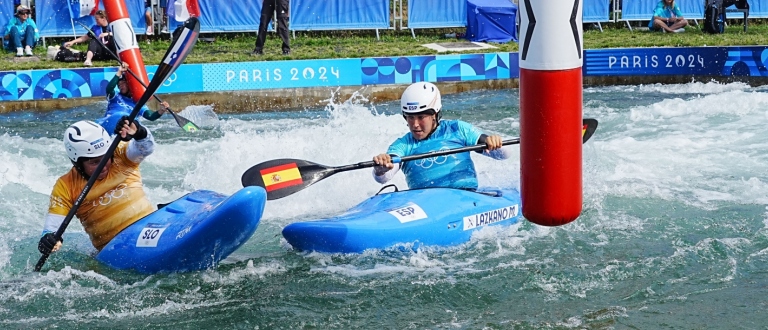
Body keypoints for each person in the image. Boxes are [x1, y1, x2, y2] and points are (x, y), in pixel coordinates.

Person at [37, 119, 156, 255]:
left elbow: (146, 147)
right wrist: (49, 241)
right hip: (114, 250)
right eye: (94, 162)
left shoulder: (120, 155)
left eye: (106, 158)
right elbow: (52, 229)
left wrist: (139, 131)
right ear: (78, 163)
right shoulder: (65, 186)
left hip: (149, 229)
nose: (104, 166)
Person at [371, 82, 511, 190]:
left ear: (435, 115)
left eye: (421, 117)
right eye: (410, 117)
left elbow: (504, 155)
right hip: (426, 205)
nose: (415, 124)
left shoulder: (458, 129)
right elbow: (383, 178)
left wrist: (494, 143)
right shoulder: (403, 145)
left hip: (465, 197)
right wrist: (381, 169)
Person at [97, 63, 170, 133]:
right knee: (121, 115)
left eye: (123, 83)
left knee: (133, 123)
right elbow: (109, 89)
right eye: (119, 85)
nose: (120, 86)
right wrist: (120, 72)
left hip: (126, 127)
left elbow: (150, 116)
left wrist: (161, 110)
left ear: (129, 84)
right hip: (109, 123)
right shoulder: (115, 96)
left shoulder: (138, 103)